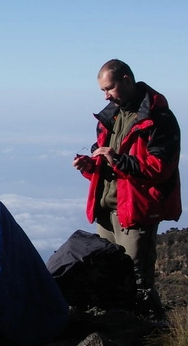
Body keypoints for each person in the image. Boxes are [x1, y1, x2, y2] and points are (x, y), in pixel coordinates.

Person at [73, 59, 181, 318]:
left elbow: (160, 168)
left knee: (137, 280)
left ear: (126, 80)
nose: (106, 95)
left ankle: (152, 334)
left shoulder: (157, 117)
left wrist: (117, 159)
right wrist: (90, 165)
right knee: (107, 275)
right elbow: (109, 165)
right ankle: (118, 331)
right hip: (107, 211)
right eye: (103, 91)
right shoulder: (111, 116)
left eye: (109, 88)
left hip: (135, 212)